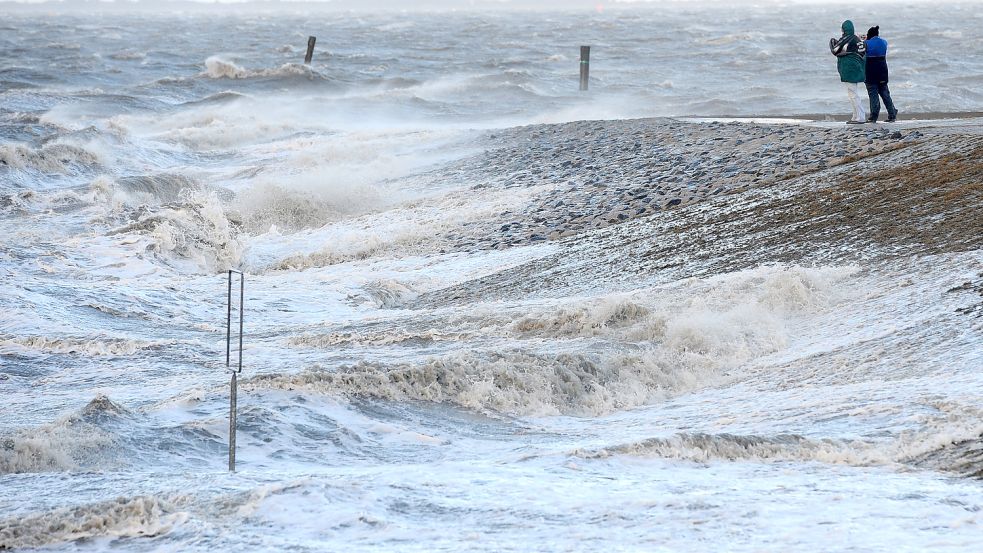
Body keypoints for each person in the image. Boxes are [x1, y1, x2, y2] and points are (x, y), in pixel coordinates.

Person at [829, 20, 867, 124]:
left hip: (849, 69)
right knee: (852, 93)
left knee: (853, 94)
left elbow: (835, 50)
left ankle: (860, 117)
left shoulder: (847, 38)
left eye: (842, 28)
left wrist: (832, 41)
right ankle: (855, 117)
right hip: (857, 68)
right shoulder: (856, 39)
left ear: (844, 29)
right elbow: (862, 51)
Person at [864, 26, 899, 122]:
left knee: (873, 94)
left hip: (871, 72)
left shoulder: (866, 43)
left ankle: (873, 116)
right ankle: (892, 114)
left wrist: (864, 40)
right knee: (885, 93)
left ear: (869, 35)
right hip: (883, 71)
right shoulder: (884, 42)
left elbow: (863, 48)